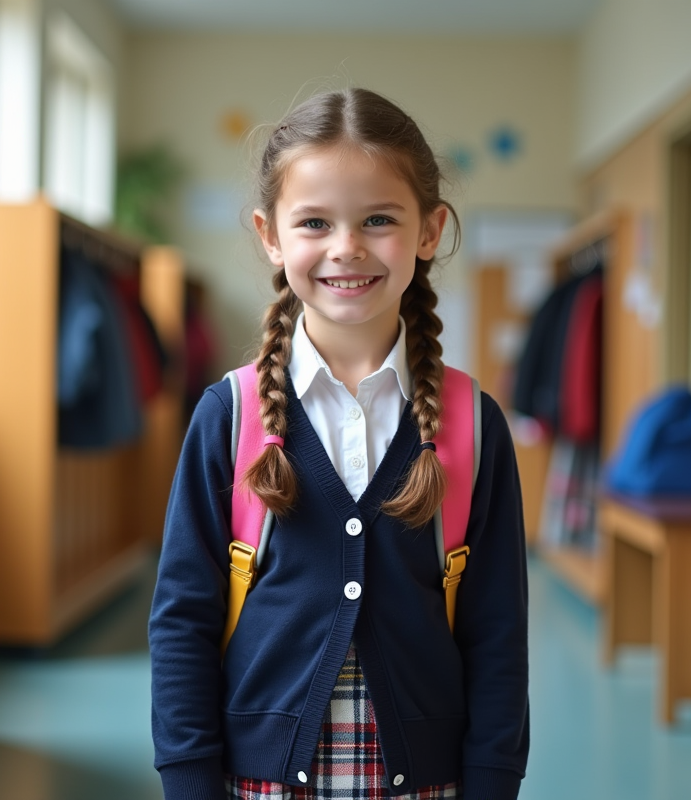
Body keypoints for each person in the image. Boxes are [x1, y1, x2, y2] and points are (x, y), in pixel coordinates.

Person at [149, 87, 529, 800]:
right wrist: (190, 781)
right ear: (271, 234)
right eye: (315, 222)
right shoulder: (228, 416)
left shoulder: (474, 424)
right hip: (255, 782)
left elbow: (498, 635)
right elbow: (182, 624)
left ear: (428, 229)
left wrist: (492, 783)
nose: (346, 248)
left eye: (379, 219)